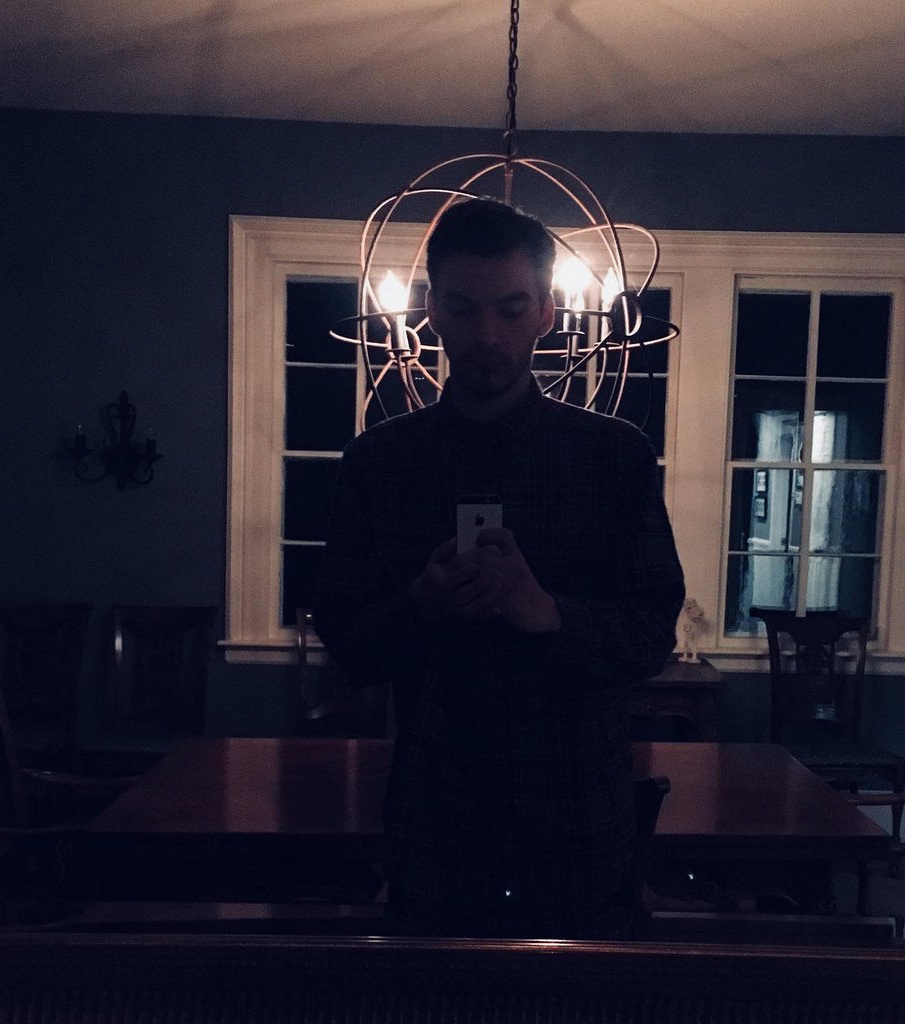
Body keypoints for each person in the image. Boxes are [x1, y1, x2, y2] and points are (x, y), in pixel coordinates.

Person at [312, 197, 684, 939]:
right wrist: (419, 604)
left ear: (547, 312)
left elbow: (653, 638)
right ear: (431, 312)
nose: (487, 335)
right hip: (436, 830)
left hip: (578, 830)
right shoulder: (378, 463)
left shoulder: (615, 459)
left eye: (512, 310)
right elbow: (347, 646)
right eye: (464, 308)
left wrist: (550, 616)